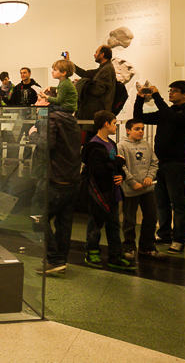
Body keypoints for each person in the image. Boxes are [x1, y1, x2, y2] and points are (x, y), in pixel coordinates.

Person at [134, 80, 185, 254]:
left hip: (177, 163)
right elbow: (139, 118)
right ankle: (164, 234)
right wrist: (139, 98)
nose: (170, 93)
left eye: (175, 91)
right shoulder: (167, 111)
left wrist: (156, 96)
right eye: (169, 90)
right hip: (160, 162)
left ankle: (179, 239)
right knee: (161, 202)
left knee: (177, 203)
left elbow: (173, 119)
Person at [82, 110, 134, 271]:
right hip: (98, 193)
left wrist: (121, 176)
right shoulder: (93, 146)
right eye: (113, 123)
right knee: (95, 225)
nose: (115, 126)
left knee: (114, 225)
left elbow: (116, 166)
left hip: (113, 192)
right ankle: (92, 252)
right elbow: (98, 170)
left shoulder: (111, 144)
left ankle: (115, 255)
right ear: (106, 123)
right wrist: (117, 163)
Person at [38, 95, 82, 274]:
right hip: (71, 178)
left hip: (56, 179)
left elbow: (45, 144)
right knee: (64, 223)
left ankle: (54, 259)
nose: (36, 102)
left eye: (40, 99)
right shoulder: (71, 119)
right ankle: (61, 261)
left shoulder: (52, 119)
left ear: (48, 102)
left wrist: (34, 135)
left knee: (39, 218)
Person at [117, 118, 159, 259]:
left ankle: (146, 247)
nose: (141, 131)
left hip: (147, 189)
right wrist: (132, 182)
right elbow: (121, 167)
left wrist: (149, 177)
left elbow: (154, 163)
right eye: (137, 129)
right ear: (128, 130)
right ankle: (129, 247)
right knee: (129, 220)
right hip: (131, 190)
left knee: (151, 217)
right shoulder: (121, 146)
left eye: (142, 129)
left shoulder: (147, 145)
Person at [72, 46, 116, 127]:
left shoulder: (106, 69)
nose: (94, 55)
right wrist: (70, 64)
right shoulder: (103, 68)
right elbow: (86, 74)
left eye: (96, 52)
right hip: (95, 113)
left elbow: (97, 90)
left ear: (102, 54)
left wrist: (83, 83)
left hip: (96, 114)